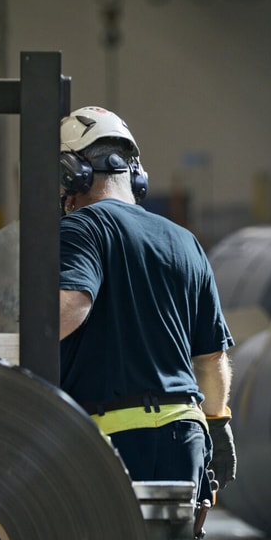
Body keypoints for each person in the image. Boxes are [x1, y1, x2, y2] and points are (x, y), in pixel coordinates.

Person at [57, 105, 236, 511]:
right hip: (185, 438)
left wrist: (6, 342)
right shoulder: (184, 240)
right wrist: (218, 426)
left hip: (110, 442)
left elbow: (70, 307)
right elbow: (211, 359)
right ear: (134, 174)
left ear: (72, 173)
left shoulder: (81, 228)